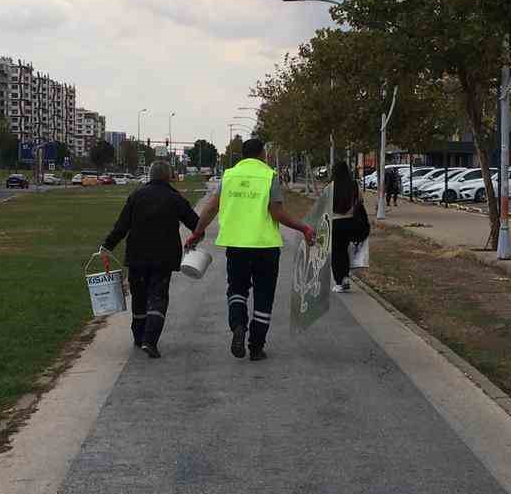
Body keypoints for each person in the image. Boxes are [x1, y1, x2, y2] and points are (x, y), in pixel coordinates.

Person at [187, 137, 315, 362]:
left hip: (237, 246)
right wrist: (302, 227)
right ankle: (256, 347)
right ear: (262, 154)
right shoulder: (269, 176)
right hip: (265, 247)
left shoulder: (229, 176)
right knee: (264, 296)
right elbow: (277, 213)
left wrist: (197, 232)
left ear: (243, 156)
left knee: (237, 289)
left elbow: (211, 208)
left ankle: (238, 325)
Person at [100, 160, 200, 359]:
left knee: (139, 296)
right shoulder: (175, 198)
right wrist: (194, 239)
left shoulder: (136, 196)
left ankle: (138, 336)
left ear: (150, 175)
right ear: (167, 176)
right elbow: (196, 224)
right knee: (158, 297)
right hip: (164, 258)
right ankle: (150, 340)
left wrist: (107, 246)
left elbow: (121, 226)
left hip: (136, 257)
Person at [331, 161, 371, 293]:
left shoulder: (330, 187)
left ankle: (338, 282)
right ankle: (346, 277)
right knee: (345, 250)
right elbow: (360, 201)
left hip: (335, 223)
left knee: (337, 252)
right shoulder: (354, 185)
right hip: (351, 222)